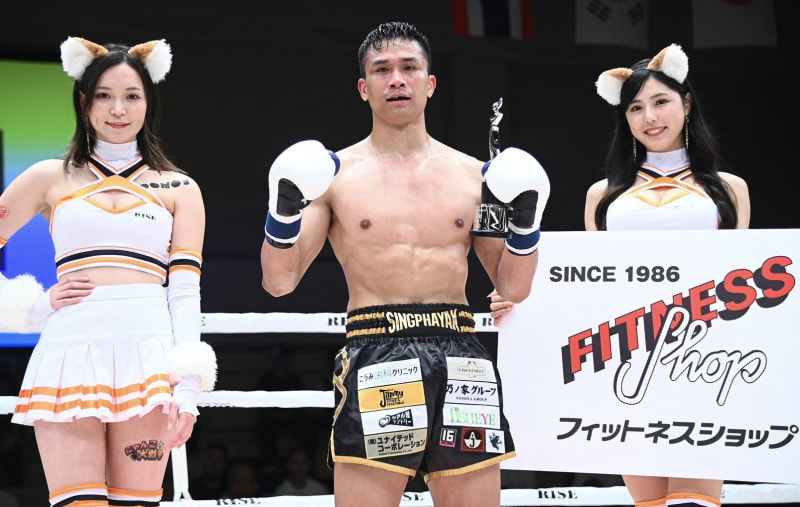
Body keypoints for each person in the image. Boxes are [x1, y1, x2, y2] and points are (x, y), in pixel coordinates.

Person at [260, 21, 550, 507]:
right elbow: (279, 280)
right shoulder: (333, 177)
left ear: (430, 83)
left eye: (409, 67)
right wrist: (283, 213)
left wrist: (527, 224)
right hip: (377, 347)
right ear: (363, 87)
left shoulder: (476, 177)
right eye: (382, 70)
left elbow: (513, 287)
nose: (396, 79)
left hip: (462, 354)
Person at [0, 36, 216, 507]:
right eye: (104, 95)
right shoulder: (48, 176)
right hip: (69, 354)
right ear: (84, 101)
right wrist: (33, 306)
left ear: (149, 102)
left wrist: (187, 387)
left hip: (150, 360)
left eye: (131, 96)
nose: (118, 109)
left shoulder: (180, 188)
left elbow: (184, 291)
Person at [586, 44, 750, 507]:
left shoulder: (729, 189)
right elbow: (588, 285)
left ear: (687, 103)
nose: (650, 117)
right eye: (635, 108)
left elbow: (742, 283)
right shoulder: (603, 196)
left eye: (661, 102)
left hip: (707, 363)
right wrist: (521, 301)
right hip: (627, 363)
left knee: (693, 501)